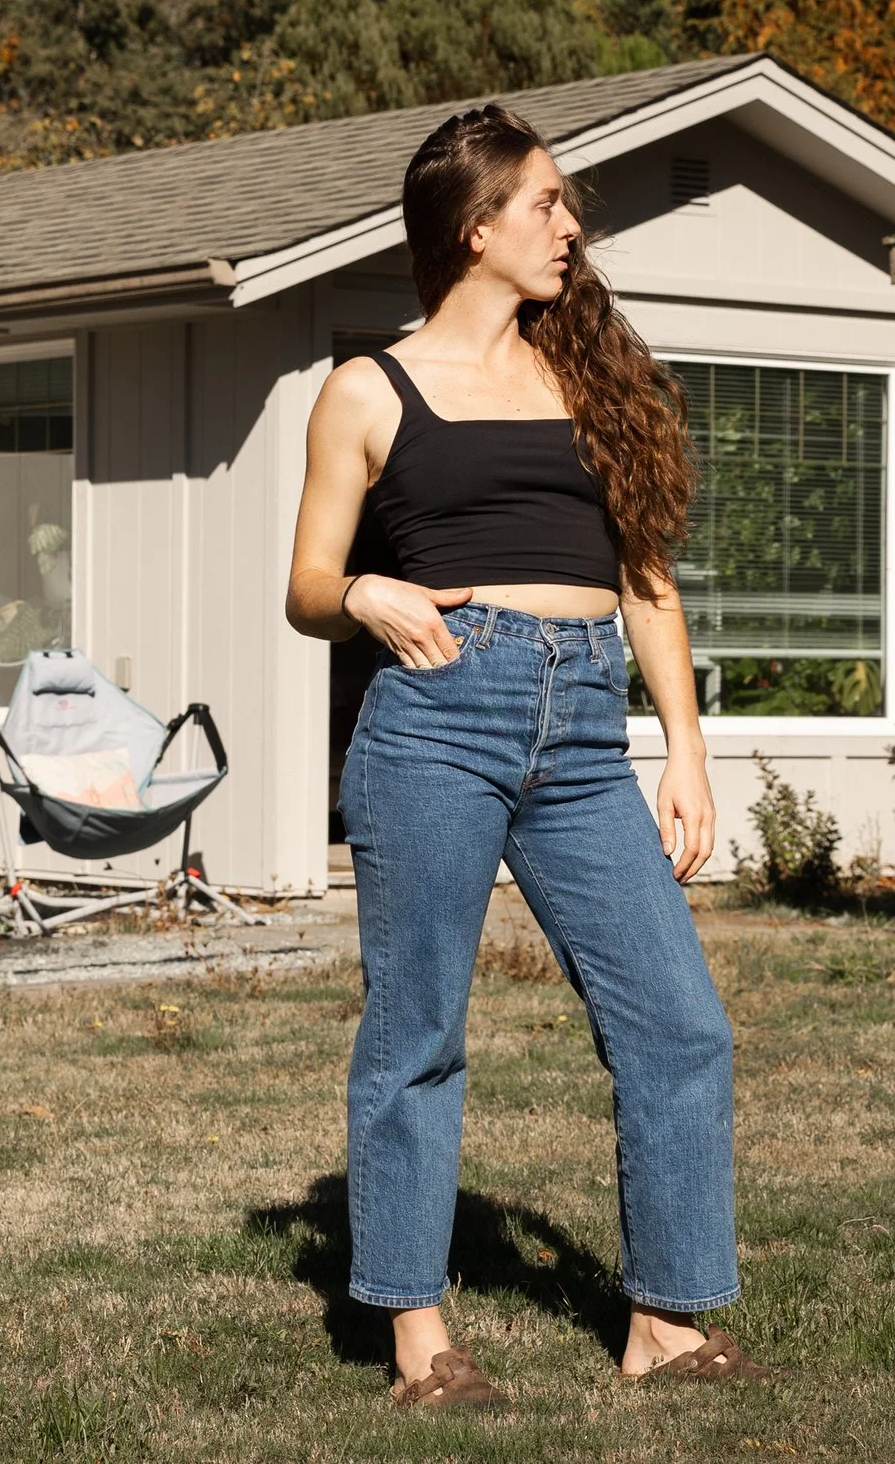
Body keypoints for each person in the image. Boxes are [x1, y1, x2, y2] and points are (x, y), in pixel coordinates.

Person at [284, 104, 774, 1408]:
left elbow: (647, 576)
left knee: (678, 1021)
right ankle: (419, 1338)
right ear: (474, 226)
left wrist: (686, 750)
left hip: (582, 723)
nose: (571, 226)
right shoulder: (368, 390)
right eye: (548, 203)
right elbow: (306, 582)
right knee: (419, 1030)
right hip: (439, 715)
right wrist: (367, 596)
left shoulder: (586, 375)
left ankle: (665, 1320)